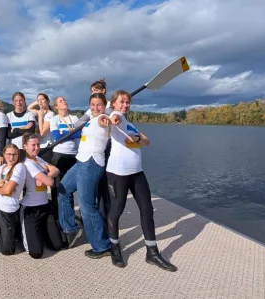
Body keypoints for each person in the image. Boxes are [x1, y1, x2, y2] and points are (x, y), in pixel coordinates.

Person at [104, 90, 177, 271]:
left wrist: (137, 137)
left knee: (147, 210)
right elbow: (114, 118)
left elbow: (147, 141)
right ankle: (114, 247)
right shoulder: (117, 116)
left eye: (128, 102)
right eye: (122, 102)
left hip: (137, 173)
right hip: (117, 174)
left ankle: (152, 252)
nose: (125, 105)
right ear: (114, 103)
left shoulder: (130, 124)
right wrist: (114, 117)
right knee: (117, 210)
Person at [56, 93, 112, 257]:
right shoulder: (89, 120)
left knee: (87, 207)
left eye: (99, 105)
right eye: (92, 105)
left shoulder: (103, 118)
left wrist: (109, 117)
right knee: (62, 190)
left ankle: (102, 246)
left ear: (104, 106)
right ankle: (70, 229)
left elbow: (109, 118)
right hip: (80, 161)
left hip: (91, 163)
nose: (96, 108)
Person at [20, 133, 64, 258]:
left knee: (57, 245)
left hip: (45, 206)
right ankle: (23, 232)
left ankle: (40, 231)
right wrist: (47, 177)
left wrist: (46, 176)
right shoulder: (28, 163)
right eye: (33, 145)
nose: (36, 147)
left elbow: (56, 170)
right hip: (30, 209)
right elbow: (50, 182)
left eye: (38, 144)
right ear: (25, 146)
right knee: (36, 253)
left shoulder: (38, 159)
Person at [48, 96, 80, 233]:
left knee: (70, 190)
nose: (64, 101)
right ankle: (58, 219)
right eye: (60, 101)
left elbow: (81, 132)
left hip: (74, 156)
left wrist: (65, 134)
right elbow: (56, 137)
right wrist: (73, 133)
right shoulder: (54, 119)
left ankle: (69, 219)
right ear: (56, 107)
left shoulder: (75, 118)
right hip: (59, 156)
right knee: (58, 189)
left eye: (64, 100)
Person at [6, 92, 37, 160]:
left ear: (24, 101)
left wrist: (15, 130)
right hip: (13, 149)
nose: (18, 102)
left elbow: (31, 132)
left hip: (27, 148)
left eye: (20, 100)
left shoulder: (30, 115)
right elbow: (8, 135)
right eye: (16, 100)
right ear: (13, 102)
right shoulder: (8, 115)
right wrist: (25, 129)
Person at [27, 93, 55, 163]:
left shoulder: (50, 114)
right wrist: (38, 102)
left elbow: (42, 133)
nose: (40, 101)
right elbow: (29, 108)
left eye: (43, 99)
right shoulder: (40, 112)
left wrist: (40, 117)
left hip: (46, 146)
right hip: (38, 146)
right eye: (39, 100)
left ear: (48, 101)